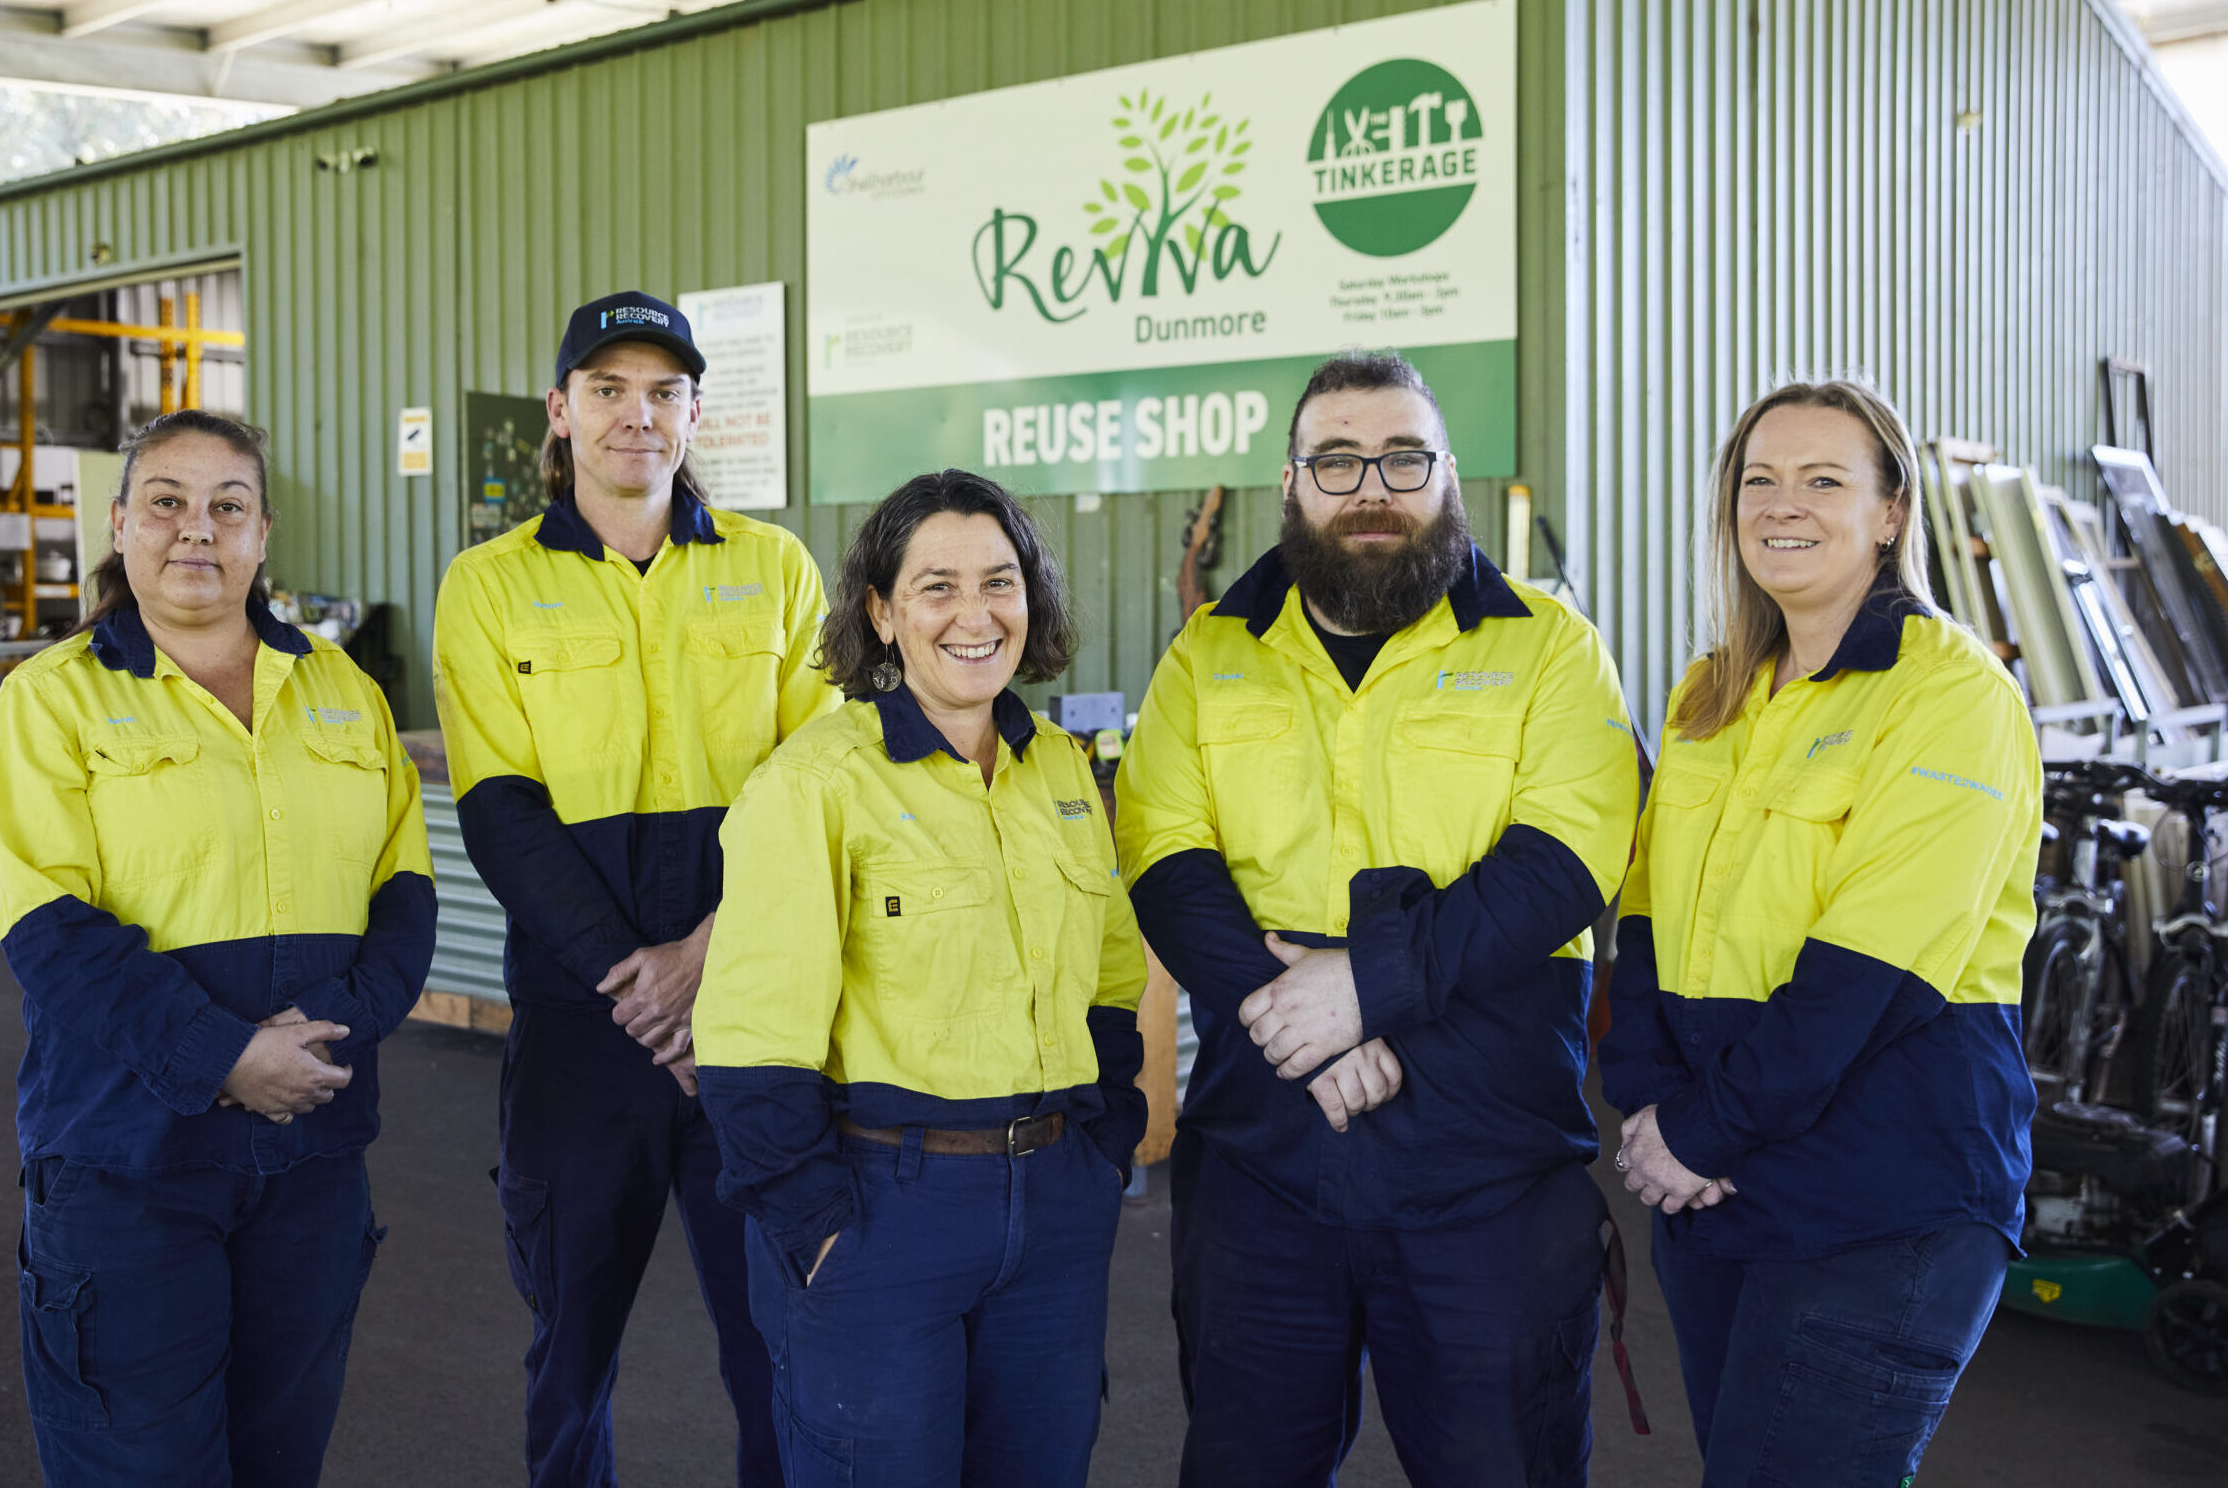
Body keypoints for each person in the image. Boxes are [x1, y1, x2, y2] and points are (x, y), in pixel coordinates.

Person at [1113, 351, 1641, 1487]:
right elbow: (1161, 854)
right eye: (1337, 459)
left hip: (1484, 1167)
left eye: (1403, 457)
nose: (1370, 486)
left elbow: (1568, 857)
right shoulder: (1209, 655)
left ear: (1446, 475)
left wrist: (1360, 990)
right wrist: (1295, 1019)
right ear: (1292, 482)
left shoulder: (1548, 646)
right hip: (1263, 1157)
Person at [0, 411, 434, 1487]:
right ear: (121, 523)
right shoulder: (51, 702)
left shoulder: (343, 692)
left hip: (310, 1161)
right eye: (168, 501)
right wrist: (226, 1054)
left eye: (227, 504)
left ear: (263, 532)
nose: (198, 529)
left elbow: (401, 896)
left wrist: (319, 1038)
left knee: (280, 1456)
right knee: (138, 1464)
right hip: (126, 1157)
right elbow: (50, 932)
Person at [1598, 380, 2039, 1484]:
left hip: (1880, 1192)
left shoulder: (1949, 697)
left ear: (1890, 511)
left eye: (1822, 479)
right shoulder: (1708, 694)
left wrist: (1696, 1132)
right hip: (1723, 1181)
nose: (1780, 505)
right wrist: (1650, 1104)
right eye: (1758, 479)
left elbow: (1868, 980)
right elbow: (1645, 921)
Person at [432, 289, 830, 1488]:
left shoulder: (775, 568)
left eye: (663, 391)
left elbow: (816, 785)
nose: (635, 415)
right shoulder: (488, 585)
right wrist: (641, 985)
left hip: (752, 1014)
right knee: (571, 1350)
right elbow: (500, 810)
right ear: (560, 411)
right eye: (607, 389)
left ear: (695, 411)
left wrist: (709, 953)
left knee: (781, 1343)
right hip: (579, 1030)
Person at [692, 469, 1147, 1488]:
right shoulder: (812, 783)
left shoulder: (1063, 771)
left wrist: (1103, 1148)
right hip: (880, 1212)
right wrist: (817, 1230)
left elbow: (1111, 980)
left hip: (1053, 1204)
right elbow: (750, 1045)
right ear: (880, 612)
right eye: (935, 586)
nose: (974, 613)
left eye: (999, 580)